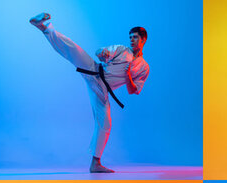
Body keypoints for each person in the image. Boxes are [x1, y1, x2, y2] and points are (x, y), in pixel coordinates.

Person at [29, 13, 151, 173]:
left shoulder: (144, 67)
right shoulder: (122, 50)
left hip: (102, 90)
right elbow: (100, 52)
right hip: (94, 72)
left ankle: (95, 164)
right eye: (130, 37)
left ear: (143, 40)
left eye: (135, 37)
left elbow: (132, 90)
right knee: (74, 49)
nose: (132, 40)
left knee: (105, 124)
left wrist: (127, 75)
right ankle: (43, 27)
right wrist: (102, 53)